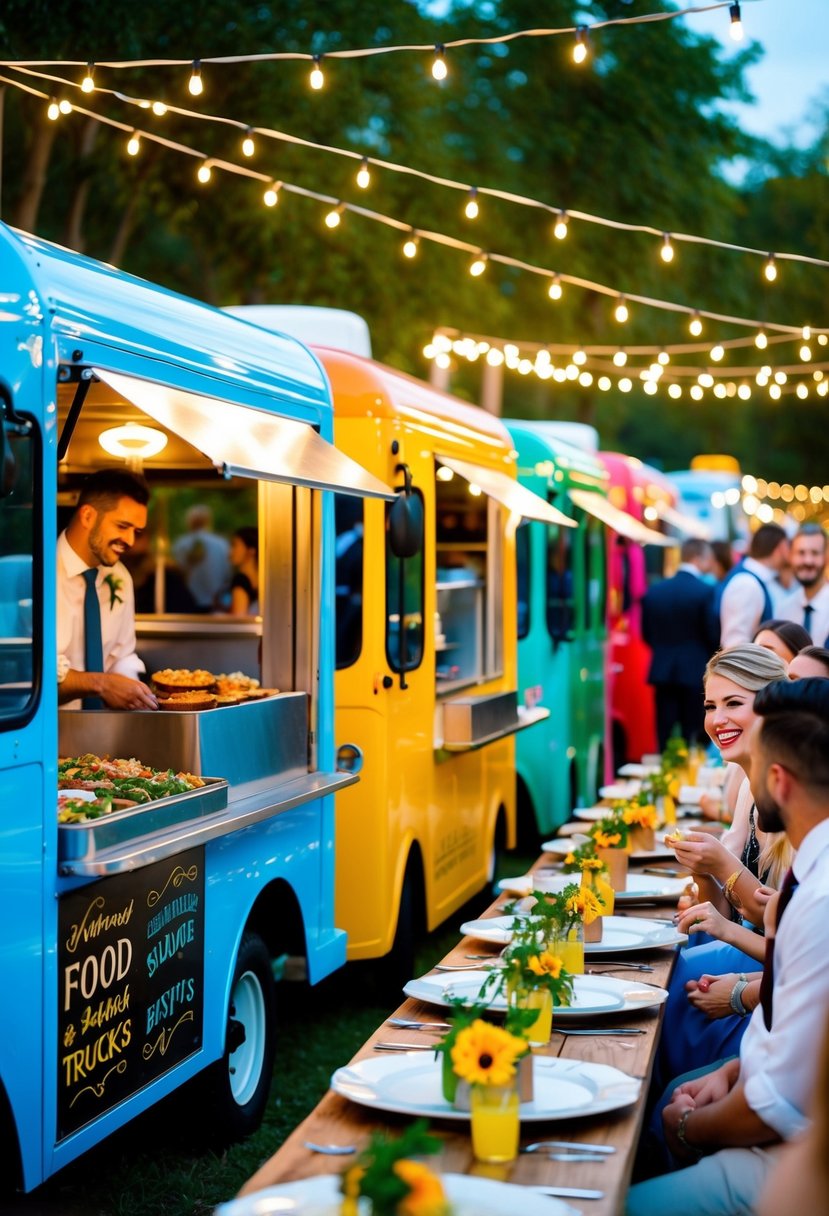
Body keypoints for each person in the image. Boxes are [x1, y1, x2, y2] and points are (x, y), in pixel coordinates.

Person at [627, 677, 829, 1216]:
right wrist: (729, 1075)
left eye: (754, 765)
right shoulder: (811, 872)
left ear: (780, 780)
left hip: (793, 1161)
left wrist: (693, 1128)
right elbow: (790, 1037)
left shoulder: (820, 896)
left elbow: (776, 1110)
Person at [653, 644, 790, 1093]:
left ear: (773, 704)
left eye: (734, 703)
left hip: (781, 982)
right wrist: (701, 871)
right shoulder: (750, 785)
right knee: (668, 975)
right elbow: (727, 913)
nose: (717, 719)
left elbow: (787, 938)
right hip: (760, 959)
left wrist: (721, 865)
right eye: (711, 705)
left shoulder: (795, 789)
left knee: (673, 984)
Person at [57, 468, 158, 710]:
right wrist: (102, 684)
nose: (131, 541)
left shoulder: (120, 577)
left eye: (136, 531)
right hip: (42, 731)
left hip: (103, 731)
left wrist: (134, 692)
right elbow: (33, 670)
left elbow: (121, 655)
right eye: (123, 526)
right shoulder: (37, 575)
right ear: (88, 516)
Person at [642, 539, 719, 749]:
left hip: (662, 671)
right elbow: (711, 634)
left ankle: (664, 775)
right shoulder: (705, 591)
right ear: (699, 558)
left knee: (664, 732)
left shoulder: (655, 592)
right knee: (692, 731)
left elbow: (646, 635)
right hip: (695, 671)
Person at [718, 523, 790, 647]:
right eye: (788, 546)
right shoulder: (746, 583)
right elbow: (735, 644)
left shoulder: (755, 580)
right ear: (780, 548)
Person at [172, 504, 231, 612]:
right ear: (208, 521)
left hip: (187, 604)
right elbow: (227, 574)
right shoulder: (222, 544)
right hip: (215, 604)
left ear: (189, 521)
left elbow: (177, 574)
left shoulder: (181, 545)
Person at [778, 523, 829, 645]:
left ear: (826, 557)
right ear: (790, 557)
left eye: (815, 553)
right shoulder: (783, 611)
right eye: (801, 553)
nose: (808, 561)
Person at [229, 526, 259, 616]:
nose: (231, 551)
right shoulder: (264, 581)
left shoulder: (241, 580)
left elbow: (239, 616)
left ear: (251, 551)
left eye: (235, 545)